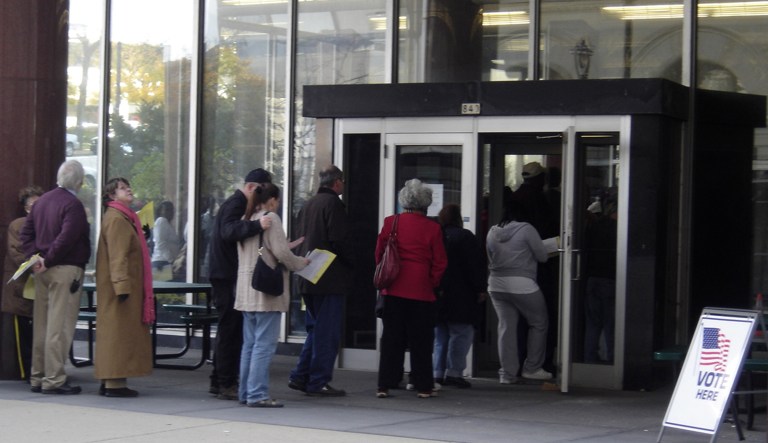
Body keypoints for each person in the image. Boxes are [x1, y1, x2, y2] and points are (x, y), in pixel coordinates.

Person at [20, 160, 91, 395]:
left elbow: (26, 233)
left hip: (42, 270)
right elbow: (67, 237)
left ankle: (37, 376)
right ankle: (54, 379)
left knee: (41, 325)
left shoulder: (41, 203)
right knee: (59, 327)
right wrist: (49, 259)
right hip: (65, 269)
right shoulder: (73, 205)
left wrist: (36, 258)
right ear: (79, 182)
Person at [236, 184, 309, 408]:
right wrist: (301, 262)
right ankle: (257, 394)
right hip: (266, 292)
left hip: (247, 289)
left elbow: (262, 249)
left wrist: (284, 248)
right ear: (273, 200)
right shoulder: (271, 219)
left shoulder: (246, 219)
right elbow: (280, 253)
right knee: (264, 345)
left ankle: (246, 392)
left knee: (249, 344)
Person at [375, 179, 447, 399]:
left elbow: (379, 254)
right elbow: (440, 262)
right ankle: (423, 385)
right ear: (425, 203)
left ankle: (385, 385)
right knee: (421, 341)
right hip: (421, 291)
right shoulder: (433, 228)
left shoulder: (391, 222)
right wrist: (432, 282)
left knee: (391, 339)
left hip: (394, 288)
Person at [288, 165, 354, 397]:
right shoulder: (333, 204)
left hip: (307, 276)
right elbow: (340, 240)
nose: (343, 185)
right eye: (342, 181)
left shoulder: (307, 205)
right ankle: (318, 380)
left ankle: (300, 375)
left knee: (315, 329)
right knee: (327, 331)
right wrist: (354, 262)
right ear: (337, 182)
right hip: (329, 278)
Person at [208, 169, 272, 400]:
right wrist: (257, 226)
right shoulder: (236, 204)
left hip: (224, 274)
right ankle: (225, 382)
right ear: (253, 188)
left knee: (230, 331)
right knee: (231, 331)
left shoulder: (235, 204)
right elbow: (229, 232)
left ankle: (219, 380)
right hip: (226, 276)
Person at [94, 178, 154, 397]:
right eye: (121, 188)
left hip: (120, 287)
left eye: (127, 186)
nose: (128, 189)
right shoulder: (118, 219)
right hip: (121, 288)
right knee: (118, 335)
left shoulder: (121, 218)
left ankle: (110, 379)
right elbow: (118, 257)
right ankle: (114, 383)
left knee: (116, 334)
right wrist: (121, 287)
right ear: (112, 195)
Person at [486, 198, 552, 384]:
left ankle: (506, 374)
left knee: (506, 327)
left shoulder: (492, 232)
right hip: (522, 283)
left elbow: (490, 256)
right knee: (539, 322)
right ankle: (532, 368)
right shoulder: (527, 229)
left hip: (496, 284)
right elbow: (542, 256)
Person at [433, 203, 486, 389]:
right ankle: (454, 372)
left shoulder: (436, 235)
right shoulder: (465, 237)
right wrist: (480, 288)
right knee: (461, 334)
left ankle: (437, 372)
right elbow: (474, 266)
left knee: (441, 335)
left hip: (440, 293)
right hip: (462, 294)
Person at [1, 186, 44, 381]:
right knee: (23, 333)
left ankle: (34, 370)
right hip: (21, 287)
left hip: (36, 287)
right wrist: (34, 262)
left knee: (35, 332)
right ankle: (25, 371)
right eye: (33, 204)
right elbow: (16, 253)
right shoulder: (18, 225)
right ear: (26, 207)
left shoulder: (44, 224)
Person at [583, 189, 618, 363]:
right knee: (610, 324)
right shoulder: (617, 229)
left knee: (593, 323)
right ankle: (612, 360)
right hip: (609, 279)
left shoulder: (595, 226)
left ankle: (589, 359)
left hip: (592, 279)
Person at [151, 200, 180, 280]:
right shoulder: (161, 221)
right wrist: (171, 260)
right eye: (167, 210)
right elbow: (160, 244)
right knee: (166, 291)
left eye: (172, 210)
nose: (170, 212)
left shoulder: (168, 224)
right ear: (161, 211)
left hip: (166, 263)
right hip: (162, 263)